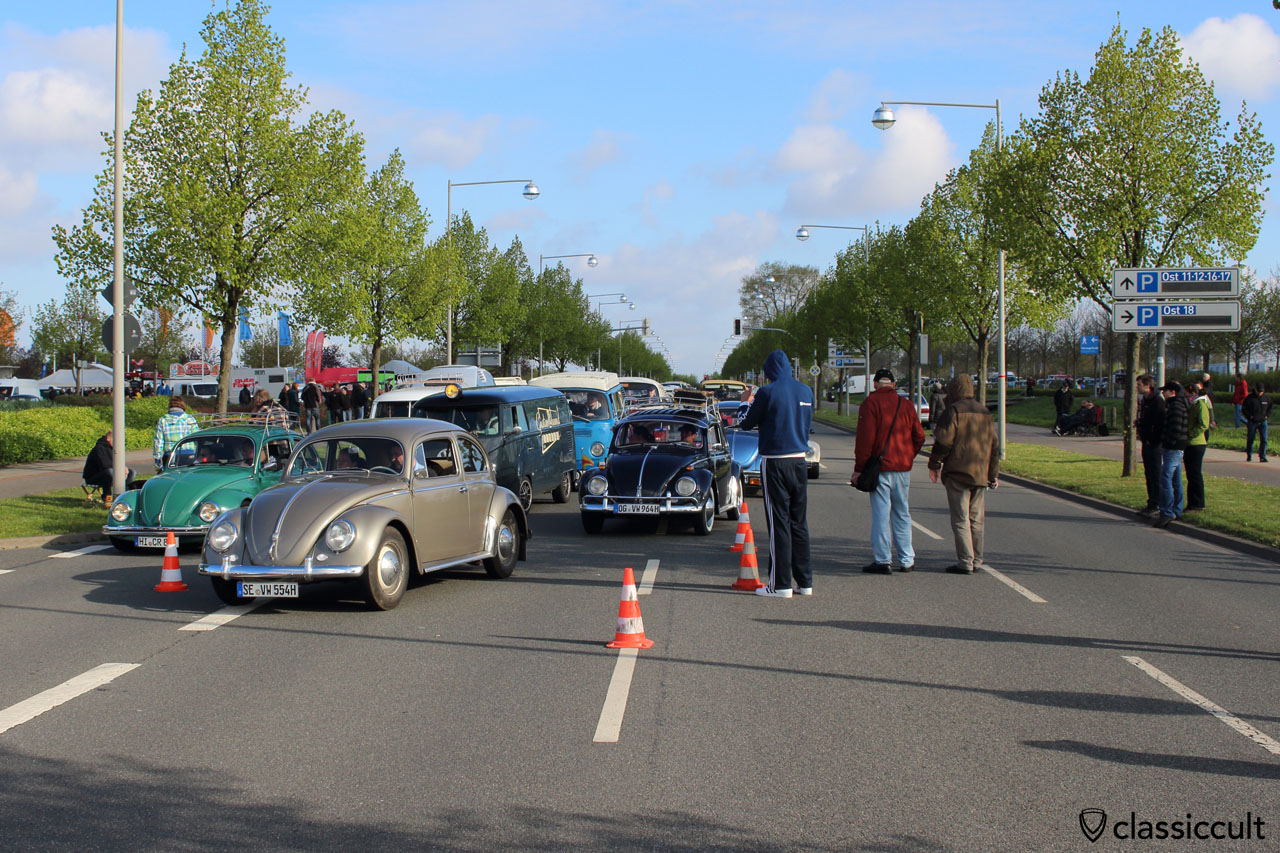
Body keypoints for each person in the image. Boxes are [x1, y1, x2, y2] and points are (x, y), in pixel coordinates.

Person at [736, 348, 815, 598]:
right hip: (800, 461)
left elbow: (745, 422)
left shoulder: (767, 393)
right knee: (799, 523)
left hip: (775, 462)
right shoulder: (806, 391)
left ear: (769, 371)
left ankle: (779, 584)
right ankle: (805, 582)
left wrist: (744, 402)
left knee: (778, 522)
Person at [854, 368, 926, 574]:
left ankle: (883, 559)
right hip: (902, 468)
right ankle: (907, 559)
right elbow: (919, 436)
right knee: (902, 513)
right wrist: (908, 455)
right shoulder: (906, 405)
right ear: (894, 385)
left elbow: (865, 440)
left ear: (875, 384)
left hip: (880, 468)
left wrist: (859, 469)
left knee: (881, 515)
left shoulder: (870, 403)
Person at [927, 374, 999, 574]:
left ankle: (965, 561)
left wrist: (935, 464)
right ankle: (977, 560)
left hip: (958, 472)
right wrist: (993, 474)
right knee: (976, 520)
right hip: (980, 472)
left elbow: (944, 441)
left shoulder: (954, 411)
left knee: (960, 519)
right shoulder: (985, 412)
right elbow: (994, 447)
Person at [1154, 381, 1189, 529]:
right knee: (1175, 479)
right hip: (1177, 447)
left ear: (1173, 392)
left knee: (1165, 478)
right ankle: (1177, 509)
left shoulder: (1175, 406)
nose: (1163, 393)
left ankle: (1167, 512)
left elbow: (1175, 427)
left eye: (1165, 391)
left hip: (1173, 447)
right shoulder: (1180, 404)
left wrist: (1167, 441)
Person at [1134, 375, 1166, 518]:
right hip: (1146, 441)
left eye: (1139, 385)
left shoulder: (1157, 401)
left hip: (1153, 444)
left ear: (1147, 386)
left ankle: (1157, 504)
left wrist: (1152, 439)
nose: (1137, 387)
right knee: (1149, 474)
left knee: (1155, 474)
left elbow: (1159, 424)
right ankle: (1151, 502)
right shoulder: (1145, 400)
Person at [82, 429, 135, 500]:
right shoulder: (99, 448)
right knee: (109, 472)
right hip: (93, 477)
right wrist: (120, 469)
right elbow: (104, 465)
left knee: (131, 472)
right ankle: (107, 496)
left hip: (110, 473)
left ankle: (124, 494)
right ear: (108, 438)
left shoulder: (115, 449)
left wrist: (124, 468)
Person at [1184, 382, 1211, 513]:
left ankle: (1198, 504)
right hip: (1190, 443)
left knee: (1195, 474)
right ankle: (1192, 503)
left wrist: (1190, 434)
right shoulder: (1193, 404)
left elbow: (1204, 424)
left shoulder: (1200, 404)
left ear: (1190, 391)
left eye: (1185, 392)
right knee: (1191, 474)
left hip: (1197, 443)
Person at [153, 396, 198, 471]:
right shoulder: (189, 419)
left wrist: (157, 458)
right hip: (189, 453)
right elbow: (196, 437)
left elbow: (158, 441)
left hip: (170, 455)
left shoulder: (163, 420)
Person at [1243, 383, 1271, 463]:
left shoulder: (1266, 398)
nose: (1260, 393)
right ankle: (1249, 455)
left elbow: (1270, 408)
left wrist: (1267, 416)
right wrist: (1249, 417)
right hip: (1252, 422)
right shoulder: (1249, 398)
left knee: (1264, 439)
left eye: (1261, 392)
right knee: (1251, 439)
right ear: (1255, 390)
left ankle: (1262, 456)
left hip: (1263, 421)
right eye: (1259, 391)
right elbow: (1244, 409)